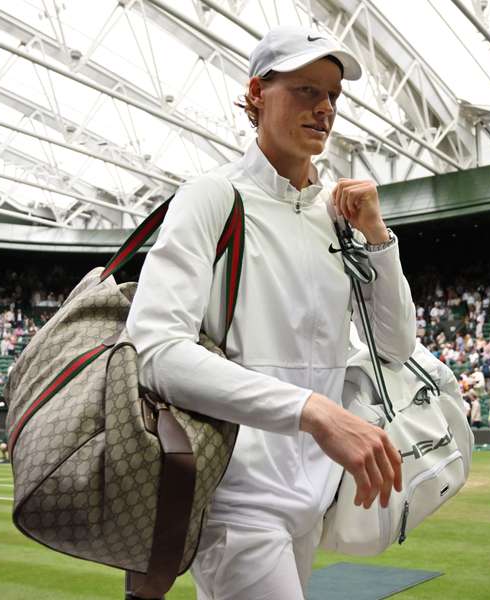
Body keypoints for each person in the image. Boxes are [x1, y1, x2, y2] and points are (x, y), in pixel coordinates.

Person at [126, 27, 416, 600]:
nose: (325, 108)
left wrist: (378, 237)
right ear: (257, 93)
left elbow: (396, 345)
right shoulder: (211, 195)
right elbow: (156, 352)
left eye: (333, 95)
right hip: (237, 495)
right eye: (306, 89)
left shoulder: (336, 214)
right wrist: (314, 412)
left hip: (315, 491)